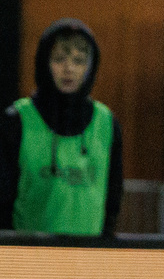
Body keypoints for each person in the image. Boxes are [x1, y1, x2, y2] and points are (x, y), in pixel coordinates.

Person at [0, 20, 123, 236]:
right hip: (26, 259)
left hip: (90, 259)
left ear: (90, 67)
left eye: (79, 60)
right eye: (59, 59)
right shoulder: (16, 120)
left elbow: (112, 202)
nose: (69, 68)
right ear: (43, 62)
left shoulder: (107, 122)